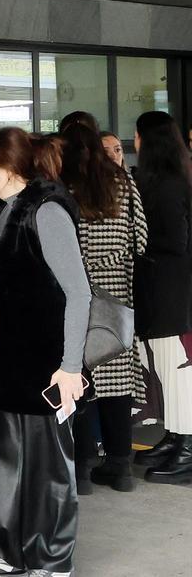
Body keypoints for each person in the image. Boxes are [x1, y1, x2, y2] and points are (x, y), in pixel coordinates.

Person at [0, 126, 90, 577]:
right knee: (6, 464)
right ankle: (6, 550)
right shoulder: (7, 208)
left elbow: (79, 294)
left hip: (47, 365)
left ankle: (52, 559)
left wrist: (70, 367)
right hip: (10, 362)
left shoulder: (47, 210)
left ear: (7, 164)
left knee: (49, 470)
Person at [60, 122, 148, 494]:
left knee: (80, 380)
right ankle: (120, 467)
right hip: (118, 298)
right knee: (118, 384)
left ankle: (81, 471)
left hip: (77, 294)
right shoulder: (124, 183)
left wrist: (85, 269)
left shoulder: (64, 188)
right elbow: (141, 239)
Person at [133, 111, 192, 484]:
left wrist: (139, 243)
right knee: (166, 371)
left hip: (173, 293)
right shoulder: (169, 179)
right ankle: (174, 436)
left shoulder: (168, 184)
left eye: (137, 137)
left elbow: (176, 241)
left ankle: (186, 448)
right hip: (166, 290)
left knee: (177, 371)